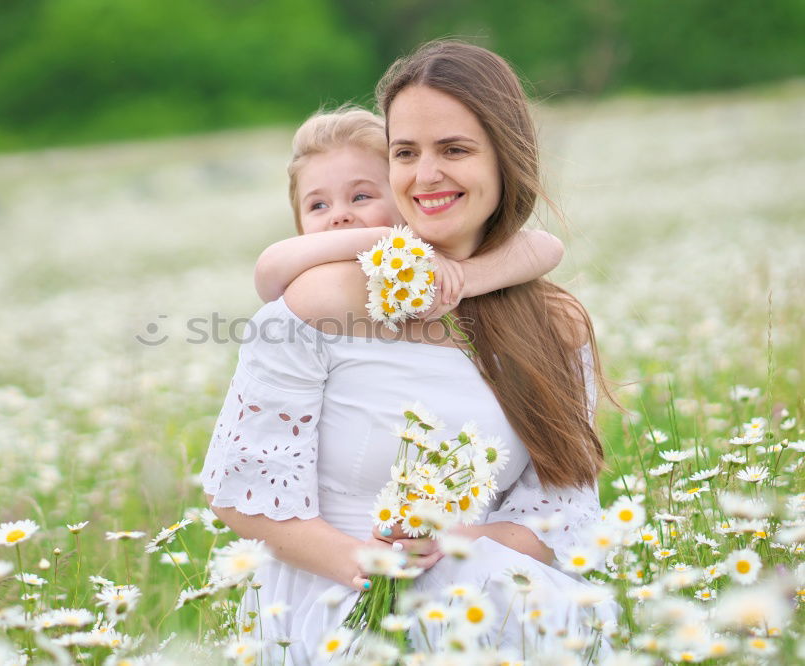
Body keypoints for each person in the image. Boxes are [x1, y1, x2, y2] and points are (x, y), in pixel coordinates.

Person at [201, 40, 616, 663]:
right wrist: (373, 565)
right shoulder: (322, 300)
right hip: (332, 601)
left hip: (485, 592)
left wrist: (454, 544)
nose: (426, 176)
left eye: (454, 150)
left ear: (508, 159)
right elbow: (244, 490)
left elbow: (565, 508)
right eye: (405, 153)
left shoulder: (553, 325)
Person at [253, 106, 565, 317]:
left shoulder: (428, 263)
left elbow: (546, 247)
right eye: (318, 205)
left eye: (360, 196)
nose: (339, 215)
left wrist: (464, 280)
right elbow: (267, 270)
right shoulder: (309, 280)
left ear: (404, 200)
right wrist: (385, 239)